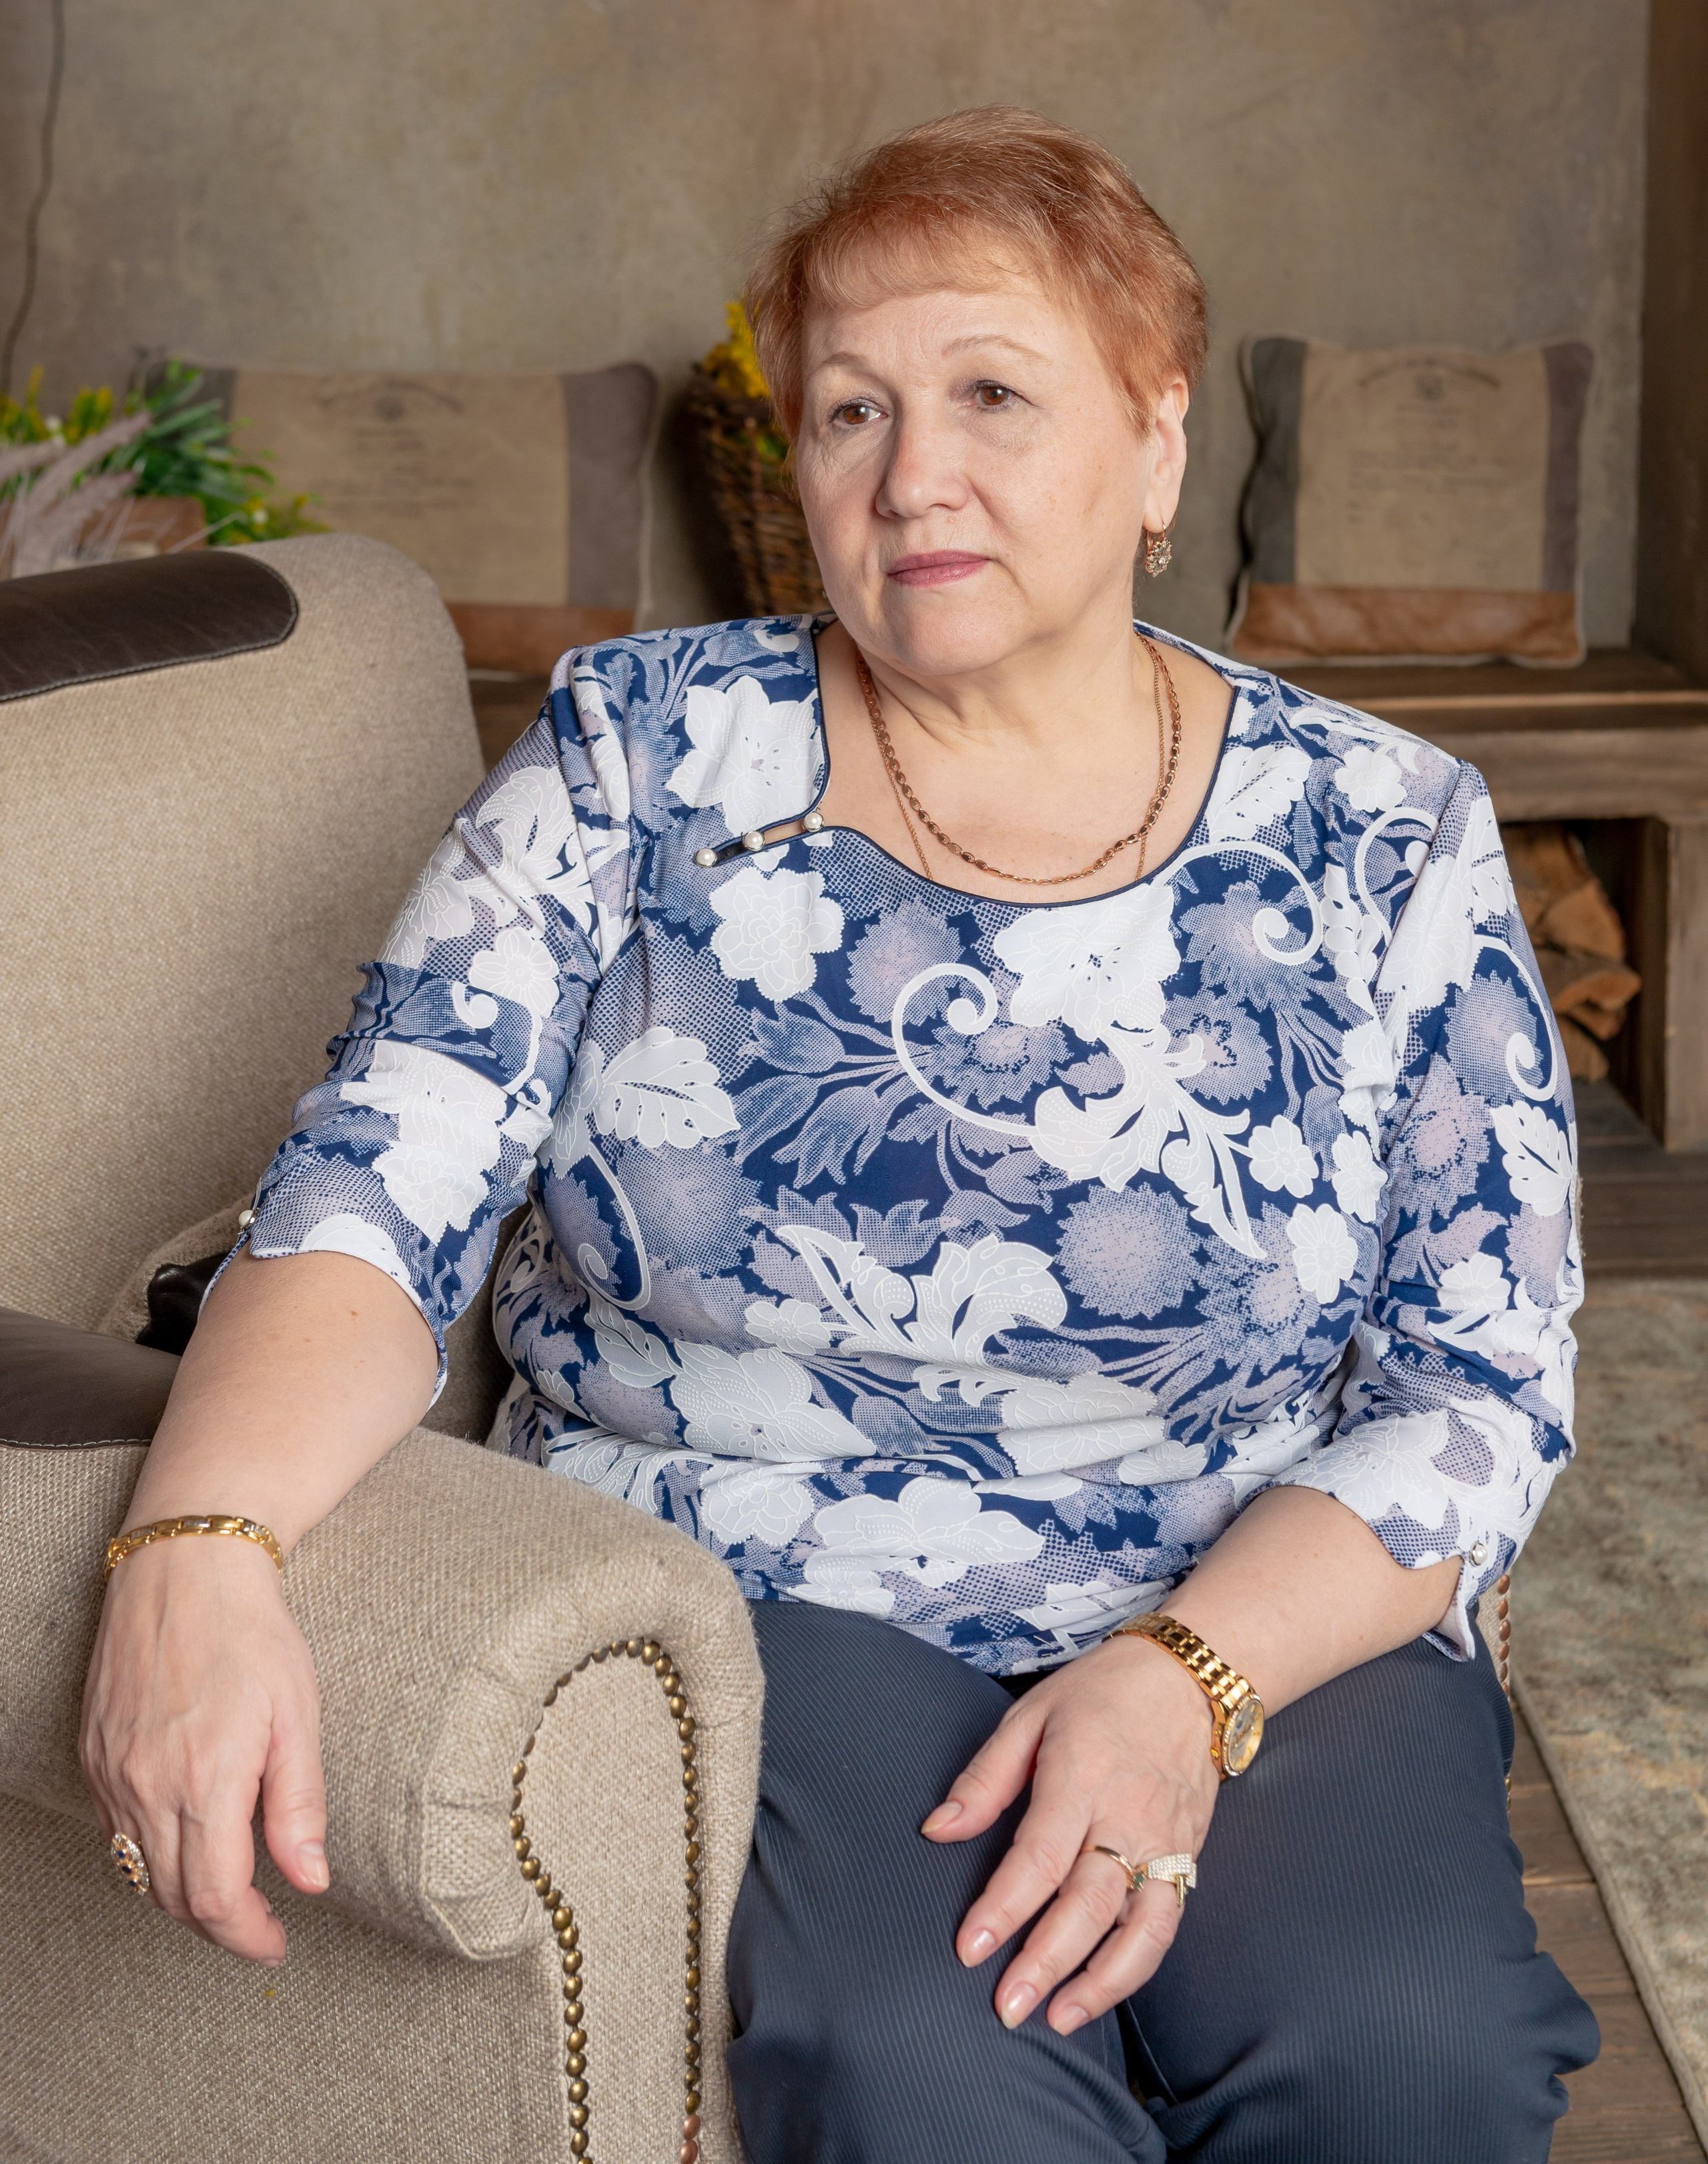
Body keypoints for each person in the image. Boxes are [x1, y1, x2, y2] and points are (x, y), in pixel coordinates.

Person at [82, 107, 1597, 2162]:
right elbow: (378, 1185)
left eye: (991, 392)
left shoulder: (1382, 827)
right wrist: (199, 1543)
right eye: (850, 410)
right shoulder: (637, 758)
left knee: (1411, 2060)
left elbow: (1480, 1379)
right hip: (773, 1574)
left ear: (1157, 448)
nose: (911, 477)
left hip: (1258, 1573)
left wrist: (1183, 1681)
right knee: (938, 2082)